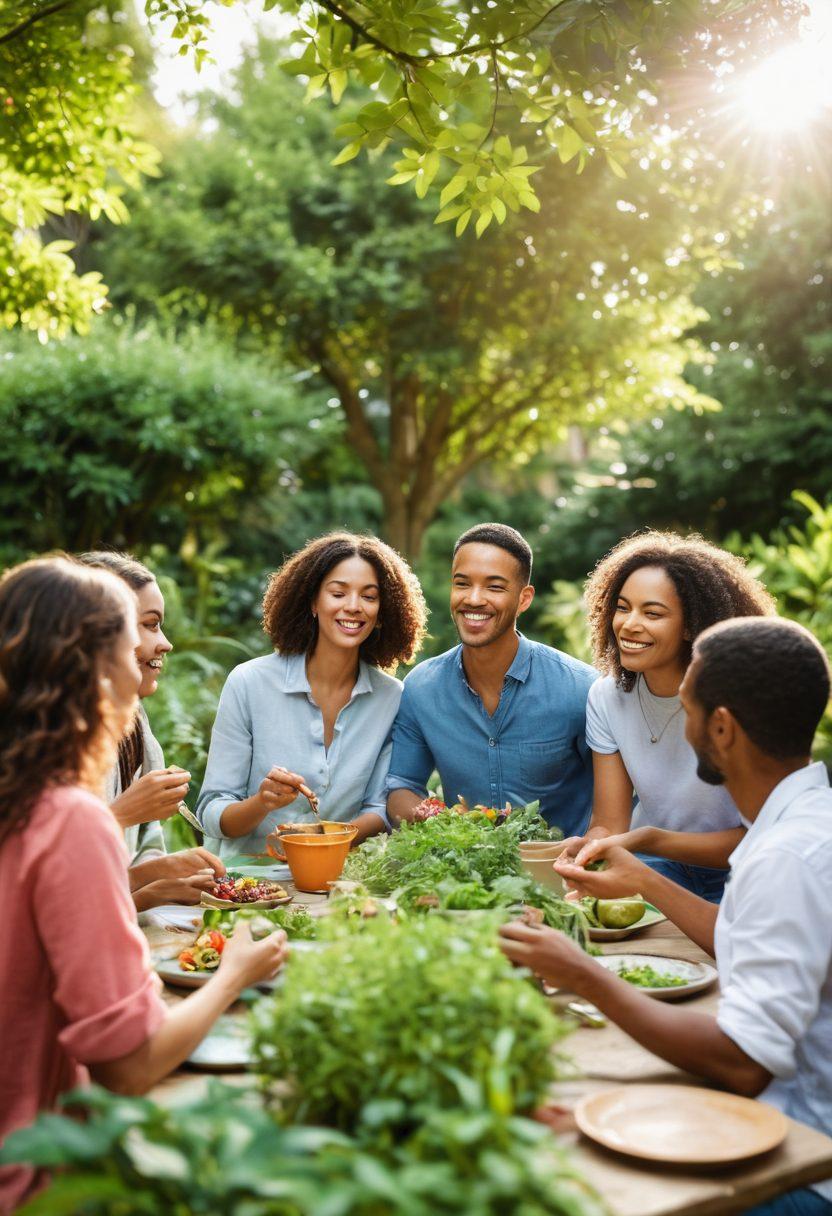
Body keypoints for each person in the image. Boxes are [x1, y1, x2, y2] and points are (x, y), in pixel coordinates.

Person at [500, 616, 832, 1215]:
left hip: (802, 1165)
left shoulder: (787, 857)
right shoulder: (802, 819)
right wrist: (647, 880)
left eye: (689, 710)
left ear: (722, 728)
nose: (683, 727)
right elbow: (738, 939)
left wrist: (581, 973)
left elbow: (743, 1064)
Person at [0, 556, 286, 1214]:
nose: (148, 659)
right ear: (95, 668)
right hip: (36, 1184)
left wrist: (144, 883)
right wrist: (234, 974)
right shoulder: (69, 818)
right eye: (135, 641)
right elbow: (127, 1067)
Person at [560, 532, 775, 901]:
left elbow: (762, 836)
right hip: (655, 865)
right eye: (623, 607)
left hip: (745, 870)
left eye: (652, 613)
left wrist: (652, 840)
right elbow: (609, 824)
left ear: (691, 625)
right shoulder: (608, 697)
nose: (628, 624)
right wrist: (588, 850)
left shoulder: (741, 702)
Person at [196, 532, 427, 858]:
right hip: (245, 885)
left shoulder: (392, 698)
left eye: (369, 596)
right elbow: (212, 813)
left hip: (335, 884)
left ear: (382, 612)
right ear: (313, 602)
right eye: (338, 593)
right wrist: (262, 802)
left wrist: (319, 839)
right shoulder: (248, 683)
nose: (353, 606)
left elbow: (380, 807)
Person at [386, 523, 595, 835]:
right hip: (463, 870)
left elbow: (616, 806)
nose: (473, 599)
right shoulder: (422, 689)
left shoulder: (581, 689)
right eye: (462, 584)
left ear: (524, 599)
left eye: (494, 587)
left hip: (561, 872)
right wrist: (442, 822)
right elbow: (401, 787)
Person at [79, 551, 225, 911]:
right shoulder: (43, 741)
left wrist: (162, 871)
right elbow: (47, 883)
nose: (166, 643)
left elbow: (139, 853)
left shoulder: (135, 726)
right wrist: (123, 814)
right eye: (149, 624)